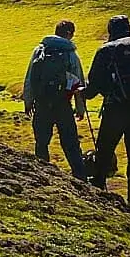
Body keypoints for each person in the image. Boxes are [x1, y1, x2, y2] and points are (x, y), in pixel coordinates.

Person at [85, 15, 130, 207]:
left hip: (114, 108)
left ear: (111, 30)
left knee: (105, 150)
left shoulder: (106, 50)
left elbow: (93, 85)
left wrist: (83, 93)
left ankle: (99, 188)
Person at [21, 21, 88, 179]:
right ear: (69, 34)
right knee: (71, 142)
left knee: (41, 141)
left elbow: (30, 77)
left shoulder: (40, 50)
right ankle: (80, 176)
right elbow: (78, 82)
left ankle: (42, 174)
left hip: (42, 102)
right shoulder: (70, 53)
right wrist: (80, 108)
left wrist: (28, 101)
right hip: (62, 103)